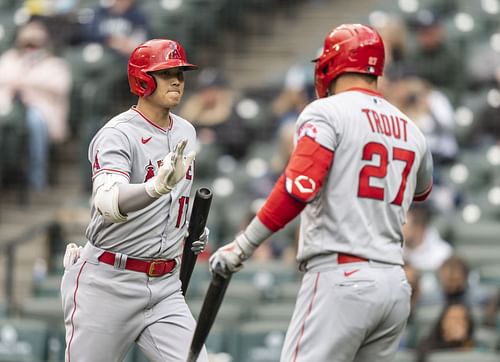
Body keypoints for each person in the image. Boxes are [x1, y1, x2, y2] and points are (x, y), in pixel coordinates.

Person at [209, 23, 434, 362]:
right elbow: (422, 191)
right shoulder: (412, 128)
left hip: (341, 276)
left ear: (332, 64)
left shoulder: (326, 111)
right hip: (393, 284)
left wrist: (242, 246)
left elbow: (298, 187)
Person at [60, 39, 209, 362]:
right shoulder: (119, 133)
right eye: (166, 73)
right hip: (109, 281)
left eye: (180, 73)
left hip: (165, 286)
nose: (176, 81)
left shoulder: (186, 131)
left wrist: (187, 229)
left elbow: (175, 201)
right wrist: (154, 187)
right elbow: (108, 200)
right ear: (143, 79)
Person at [0, 18, 72, 189]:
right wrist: (26, 80)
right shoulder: (10, 58)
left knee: (34, 123)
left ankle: (36, 177)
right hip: (8, 108)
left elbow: (60, 85)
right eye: (28, 44)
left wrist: (25, 82)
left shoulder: (55, 63)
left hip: (40, 110)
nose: (31, 48)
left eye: (35, 44)